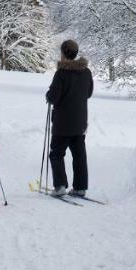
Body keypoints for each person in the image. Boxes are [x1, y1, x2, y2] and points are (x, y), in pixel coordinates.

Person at [46, 39, 94, 197]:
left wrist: (49, 94)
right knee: (79, 155)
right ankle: (80, 187)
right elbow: (88, 93)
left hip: (62, 123)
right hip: (80, 122)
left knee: (56, 153)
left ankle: (60, 186)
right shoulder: (86, 72)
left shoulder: (61, 73)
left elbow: (53, 97)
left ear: (63, 53)